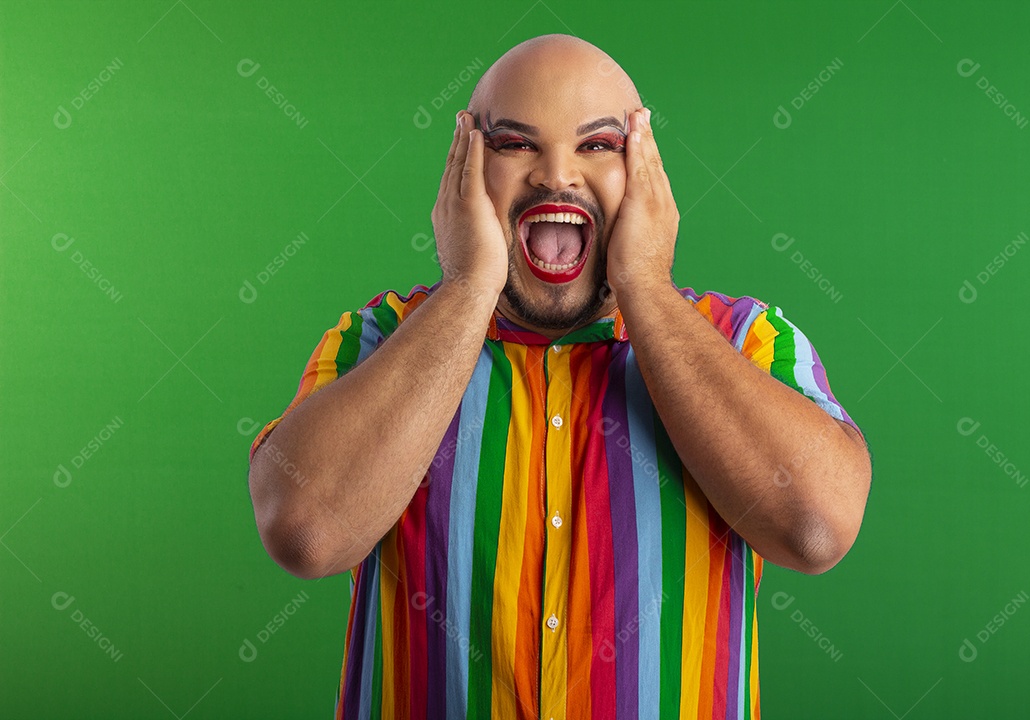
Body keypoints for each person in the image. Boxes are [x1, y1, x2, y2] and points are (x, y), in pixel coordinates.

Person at [247, 33, 871, 720]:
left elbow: (815, 529)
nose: (555, 176)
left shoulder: (748, 339)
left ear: (645, 171)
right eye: (516, 144)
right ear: (468, 167)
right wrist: (466, 287)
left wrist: (647, 287)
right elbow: (306, 534)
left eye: (597, 145)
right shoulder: (376, 339)